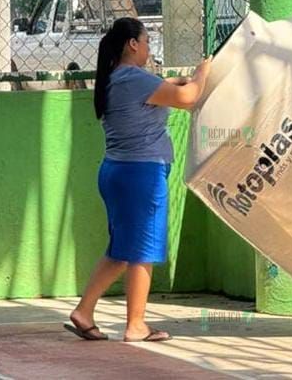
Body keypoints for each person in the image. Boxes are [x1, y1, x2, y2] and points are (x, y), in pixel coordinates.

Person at [65, 17, 212, 342]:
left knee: (120, 250)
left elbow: (165, 84)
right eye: (146, 41)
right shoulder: (133, 78)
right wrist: (202, 75)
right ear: (132, 44)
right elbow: (188, 98)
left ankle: (83, 311)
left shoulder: (118, 78)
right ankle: (136, 325)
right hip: (141, 175)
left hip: (119, 172)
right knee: (142, 251)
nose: (148, 48)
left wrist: (183, 79)